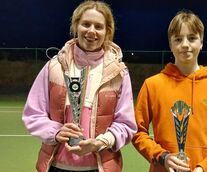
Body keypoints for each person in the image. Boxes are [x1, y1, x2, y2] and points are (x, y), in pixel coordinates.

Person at [22, 1, 137, 172]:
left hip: (102, 167)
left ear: (107, 32)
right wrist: (55, 131)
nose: (91, 31)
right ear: (76, 26)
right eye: (86, 24)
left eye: (98, 26)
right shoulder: (54, 67)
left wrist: (100, 142)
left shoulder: (119, 73)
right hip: (55, 166)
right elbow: (33, 114)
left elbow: (126, 125)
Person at [132, 10, 207, 172]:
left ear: (201, 42)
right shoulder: (152, 85)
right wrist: (162, 156)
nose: (185, 44)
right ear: (171, 45)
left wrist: (205, 168)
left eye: (192, 38)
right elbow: (137, 132)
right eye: (178, 39)